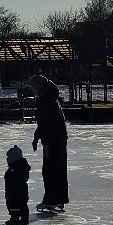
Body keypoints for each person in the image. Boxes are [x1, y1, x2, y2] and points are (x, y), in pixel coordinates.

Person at [23, 74, 69, 212]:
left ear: (38, 87)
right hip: (59, 137)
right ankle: (60, 198)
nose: (31, 90)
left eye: (32, 87)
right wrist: (37, 137)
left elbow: (45, 123)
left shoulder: (45, 101)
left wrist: (42, 139)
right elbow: (45, 123)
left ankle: (51, 199)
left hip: (52, 139)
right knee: (59, 169)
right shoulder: (51, 98)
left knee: (50, 170)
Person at [4, 145, 32, 225]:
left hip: (15, 190)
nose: (7, 159)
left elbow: (18, 179)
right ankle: (21, 217)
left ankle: (17, 217)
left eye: (9, 157)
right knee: (20, 203)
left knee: (16, 203)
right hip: (15, 190)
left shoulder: (16, 168)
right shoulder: (17, 167)